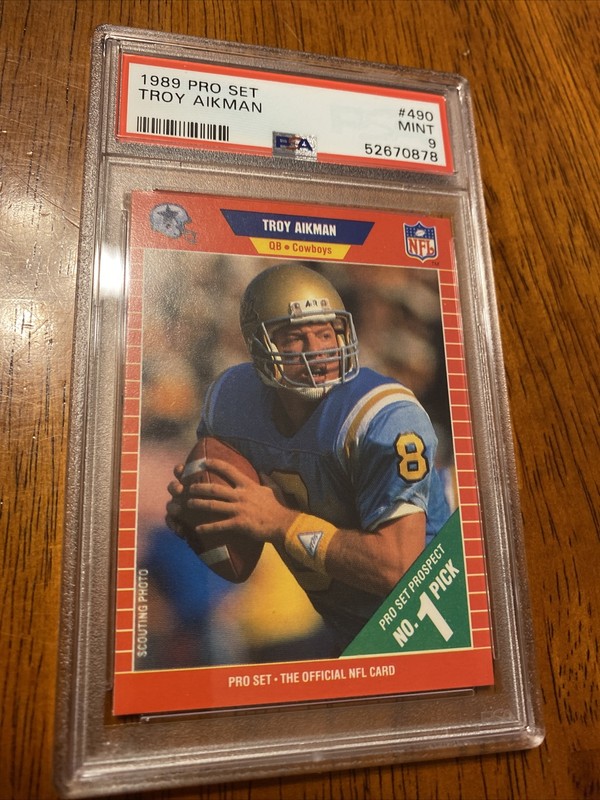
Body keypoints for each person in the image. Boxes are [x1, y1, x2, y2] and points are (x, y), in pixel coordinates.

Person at [166, 263, 450, 653]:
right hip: (343, 628)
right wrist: (201, 508)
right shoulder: (231, 400)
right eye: (294, 337)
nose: (317, 351)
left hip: (434, 615)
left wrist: (281, 521)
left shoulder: (382, 417)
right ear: (259, 345)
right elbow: (231, 512)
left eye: (325, 333)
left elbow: (400, 566)